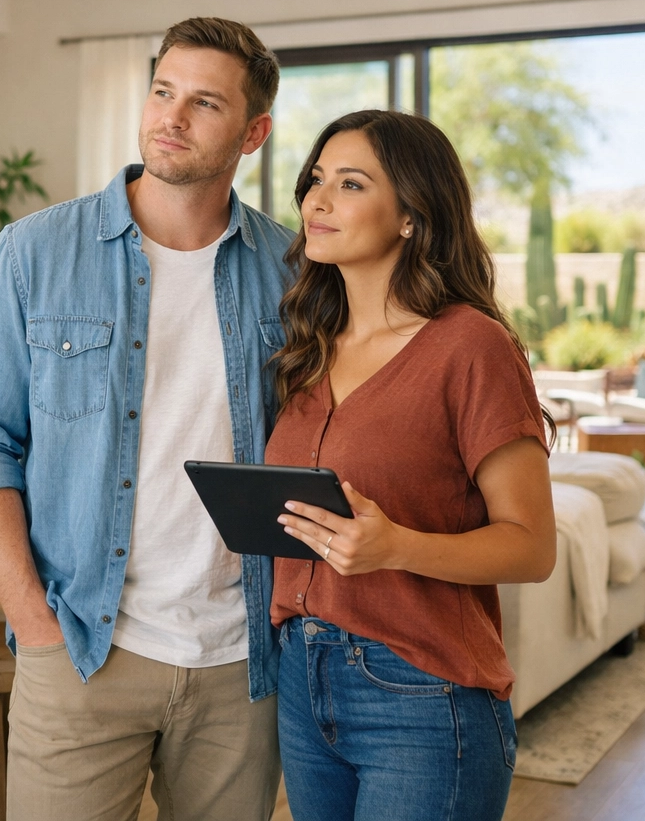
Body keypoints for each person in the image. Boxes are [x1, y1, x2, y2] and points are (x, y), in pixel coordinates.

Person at [0, 17, 296, 821]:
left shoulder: (294, 270)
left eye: (204, 103)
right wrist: (32, 620)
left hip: (242, 662)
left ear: (254, 132)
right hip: (81, 647)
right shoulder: (32, 253)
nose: (170, 117)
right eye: (163, 91)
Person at [268, 109, 557, 821]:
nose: (318, 200)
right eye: (315, 179)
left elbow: (533, 546)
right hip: (303, 677)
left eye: (351, 183)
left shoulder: (471, 347)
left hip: (421, 693)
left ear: (410, 216)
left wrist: (397, 546)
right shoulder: (308, 344)